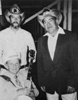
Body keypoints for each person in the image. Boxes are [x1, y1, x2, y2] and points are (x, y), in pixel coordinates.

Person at [37, 8, 77, 100]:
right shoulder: (41, 40)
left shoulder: (70, 37)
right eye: (45, 22)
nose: (48, 24)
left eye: (50, 20)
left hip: (67, 84)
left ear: (57, 21)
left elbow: (76, 61)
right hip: (49, 84)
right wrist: (42, 82)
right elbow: (40, 63)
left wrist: (73, 83)